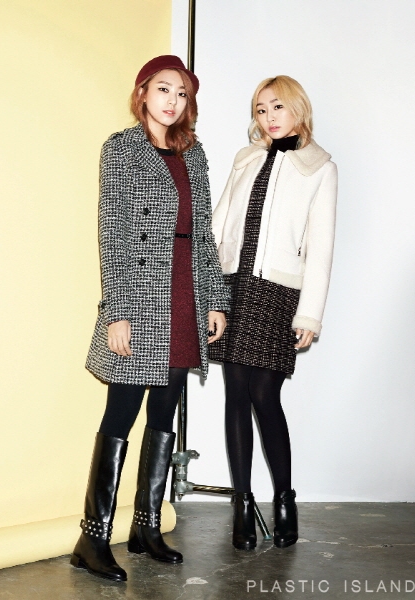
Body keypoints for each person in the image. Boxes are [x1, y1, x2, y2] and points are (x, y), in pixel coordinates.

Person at [71, 55, 230, 582]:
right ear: (142, 92)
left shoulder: (194, 153)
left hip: (185, 292)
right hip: (141, 297)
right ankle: (92, 539)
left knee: (165, 412)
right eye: (164, 89)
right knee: (122, 413)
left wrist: (215, 299)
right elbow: (112, 234)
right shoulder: (121, 148)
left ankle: (146, 528)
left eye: (182, 94)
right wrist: (117, 312)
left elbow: (202, 234)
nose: (172, 101)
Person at [209, 75, 337, 550]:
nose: (269, 117)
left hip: (279, 290)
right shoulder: (246, 158)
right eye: (261, 109)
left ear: (298, 107)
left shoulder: (320, 167)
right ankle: (242, 503)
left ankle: (285, 498)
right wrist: (209, 291)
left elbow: (321, 248)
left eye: (277, 106)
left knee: (264, 394)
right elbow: (217, 225)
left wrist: (309, 315)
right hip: (234, 283)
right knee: (235, 393)